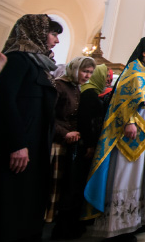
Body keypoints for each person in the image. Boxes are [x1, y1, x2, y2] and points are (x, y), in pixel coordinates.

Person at [83, 36, 145, 241]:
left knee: (144, 176)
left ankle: (138, 220)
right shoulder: (132, 71)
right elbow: (122, 100)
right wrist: (129, 121)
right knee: (127, 175)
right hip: (132, 134)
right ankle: (118, 226)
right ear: (143, 51)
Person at [0, 14, 62, 242]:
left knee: (29, 200)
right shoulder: (17, 60)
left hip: (34, 144)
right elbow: (5, 102)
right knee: (11, 203)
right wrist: (18, 144)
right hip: (18, 146)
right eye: (53, 34)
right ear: (35, 32)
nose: (56, 41)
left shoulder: (39, 63)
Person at [46, 56, 95, 239]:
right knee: (52, 186)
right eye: (85, 71)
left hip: (70, 143)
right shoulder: (59, 85)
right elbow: (49, 115)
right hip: (56, 143)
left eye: (90, 72)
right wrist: (64, 133)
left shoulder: (76, 88)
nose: (87, 75)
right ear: (74, 69)